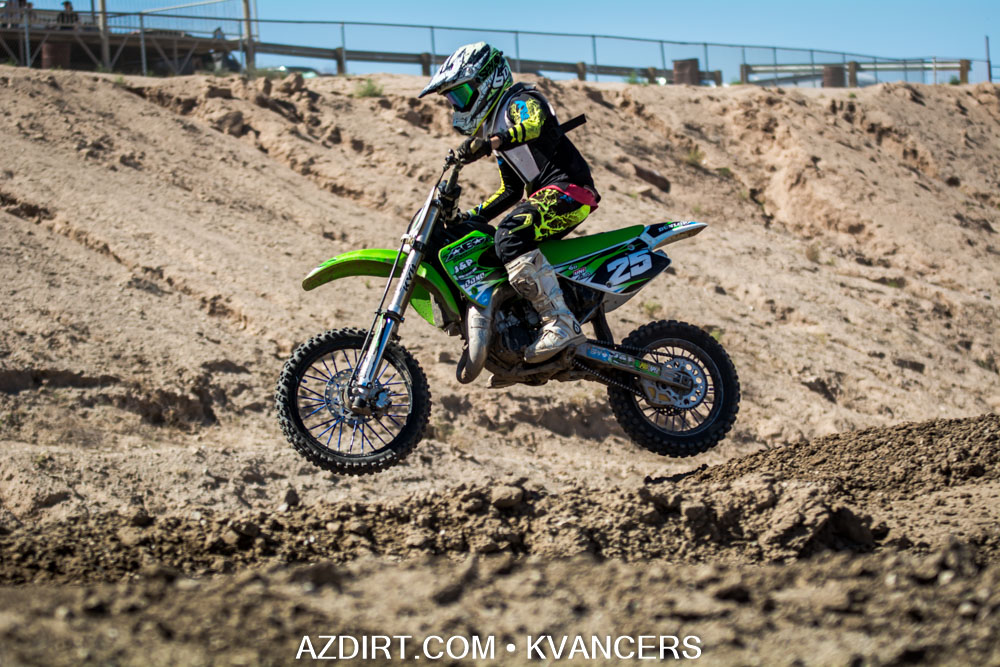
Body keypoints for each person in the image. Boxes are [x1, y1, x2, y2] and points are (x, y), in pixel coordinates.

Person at [419, 42, 600, 363]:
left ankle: (559, 322)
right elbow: (510, 191)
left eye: (460, 94)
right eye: (452, 99)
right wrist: (465, 218)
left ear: (487, 80)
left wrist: (490, 144)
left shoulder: (520, 100)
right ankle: (516, 325)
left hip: (570, 190)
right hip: (547, 195)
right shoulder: (496, 127)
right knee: (480, 241)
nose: (457, 104)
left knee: (509, 234)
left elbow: (533, 125)